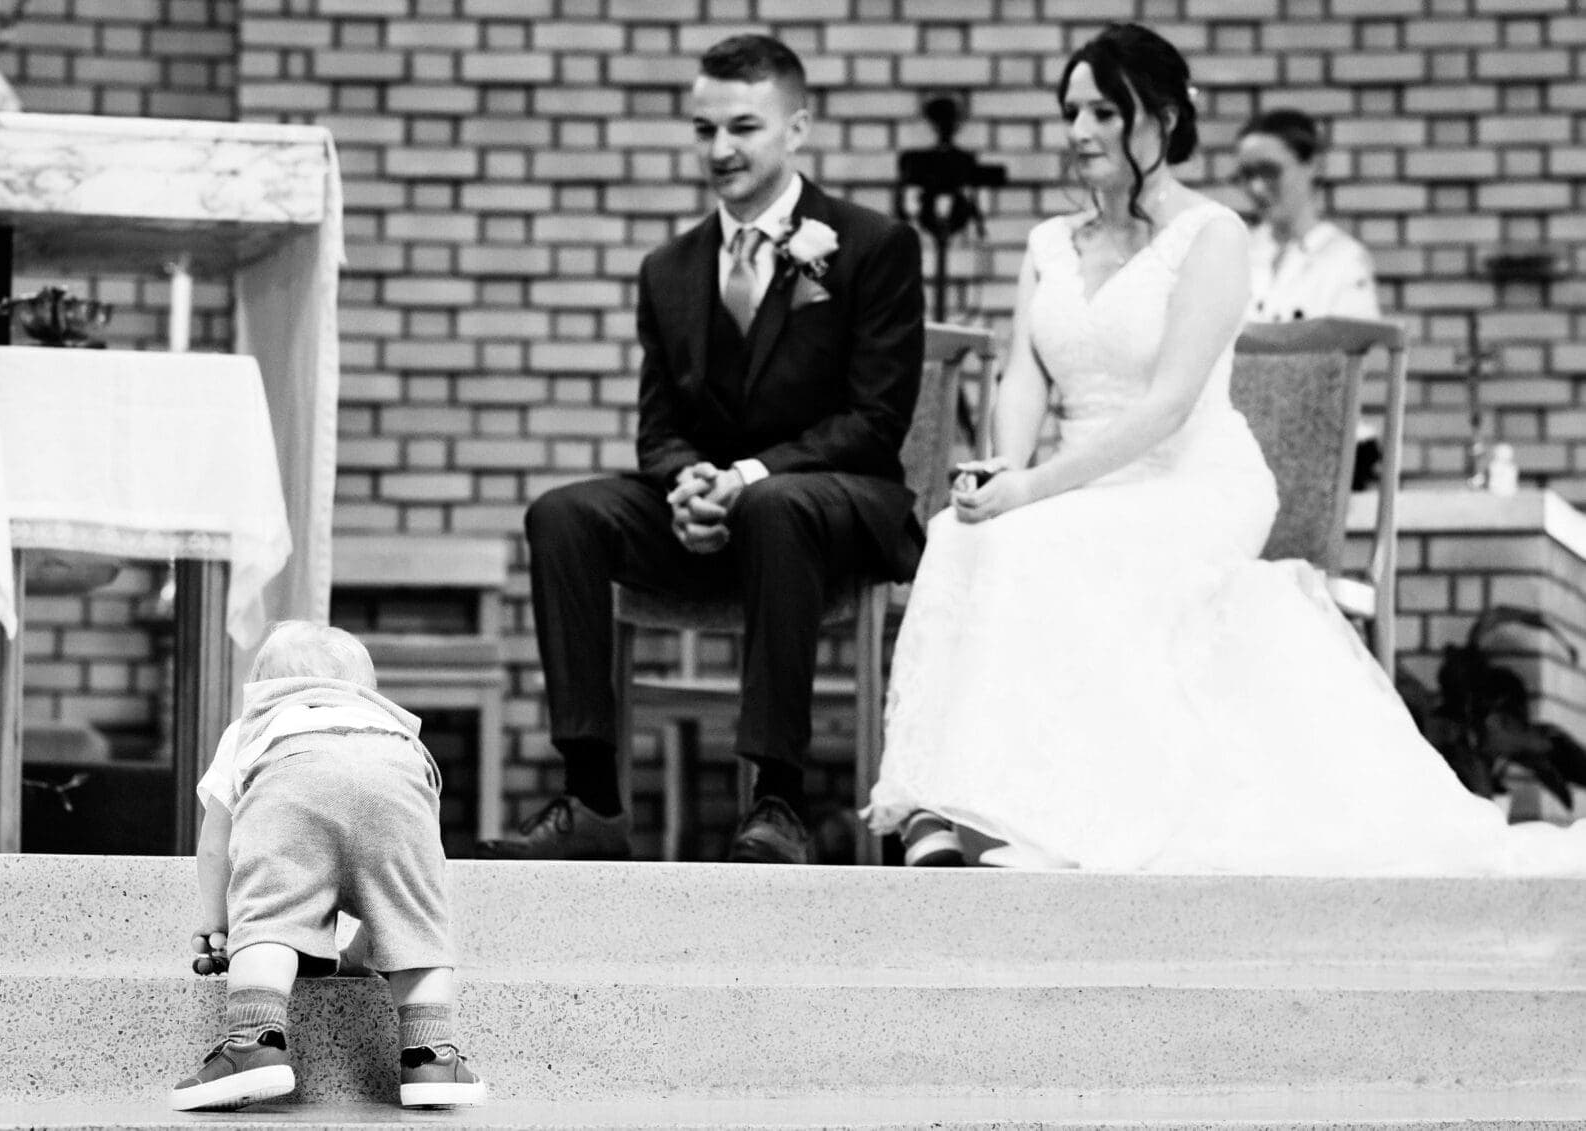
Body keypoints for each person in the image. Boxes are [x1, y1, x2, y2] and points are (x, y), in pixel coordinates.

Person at [865, 23, 1586, 875]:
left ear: (1162, 118)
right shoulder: (1046, 244)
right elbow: (1023, 375)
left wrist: (1038, 490)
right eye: (1071, 111)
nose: (1081, 131)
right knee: (963, 530)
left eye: (1105, 109)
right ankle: (943, 811)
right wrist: (1006, 465)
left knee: (1042, 538)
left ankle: (1034, 816)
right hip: (1074, 477)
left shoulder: (1213, 236)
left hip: (1190, 481)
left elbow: (1170, 404)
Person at [484, 33, 925, 866]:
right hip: (720, 511)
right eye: (703, 129)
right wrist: (686, 481)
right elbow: (657, 427)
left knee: (777, 503)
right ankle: (593, 799)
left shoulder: (873, 245)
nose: (719, 149)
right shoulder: (669, 269)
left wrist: (749, 476)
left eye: (743, 127)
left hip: (835, 506)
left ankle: (778, 799)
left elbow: (876, 421)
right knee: (565, 515)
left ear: (797, 129)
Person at [170, 622, 485, 1112]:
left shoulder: (254, 726)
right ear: (366, 690)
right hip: (398, 785)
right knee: (417, 925)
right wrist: (379, 939)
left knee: (270, 921)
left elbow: (216, 843)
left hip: (293, 788)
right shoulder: (393, 726)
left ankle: (254, 1044)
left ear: (262, 690)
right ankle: (432, 1057)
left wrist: (222, 922)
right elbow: (423, 860)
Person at [1235, 107, 1378, 323]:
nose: (1257, 188)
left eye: (1269, 171)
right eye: (1247, 174)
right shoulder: (1237, 253)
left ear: (1314, 166)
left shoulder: (1344, 259)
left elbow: (1355, 348)